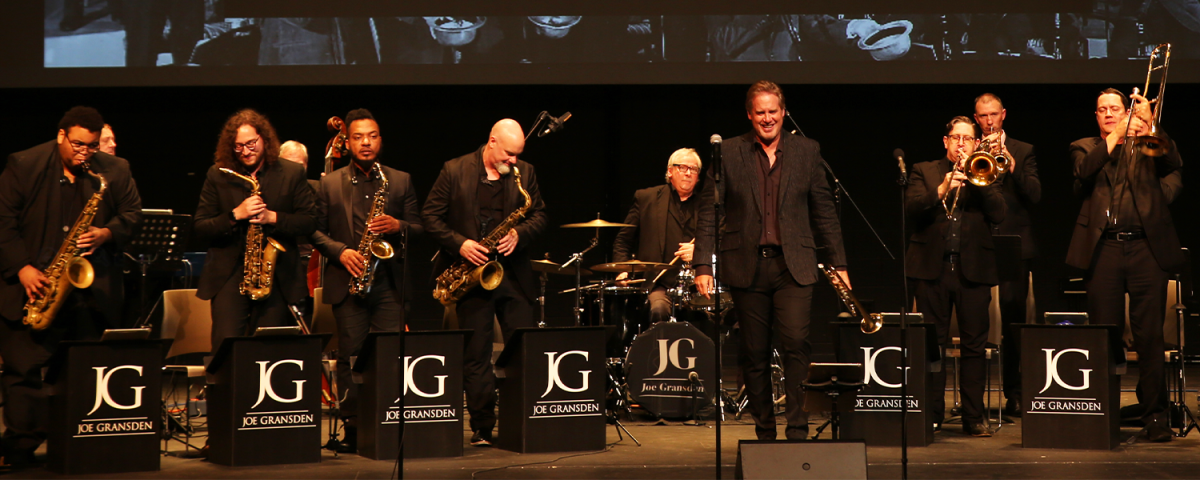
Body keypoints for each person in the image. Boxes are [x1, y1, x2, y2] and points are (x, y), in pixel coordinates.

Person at [694, 81, 849, 441]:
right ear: (750, 114)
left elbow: (824, 211)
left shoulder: (807, 151)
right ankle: (765, 433)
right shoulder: (729, 152)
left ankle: (797, 430)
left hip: (793, 266)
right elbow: (708, 212)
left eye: (773, 111)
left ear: (783, 112)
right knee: (755, 353)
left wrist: (839, 263)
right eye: (760, 112)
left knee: (797, 344)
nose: (767, 118)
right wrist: (703, 264)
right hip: (745, 266)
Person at [0, 106, 143, 467]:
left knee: (85, 369)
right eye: (78, 145)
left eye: (91, 146)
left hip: (90, 291)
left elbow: (133, 215)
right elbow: (3, 221)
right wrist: (22, 268)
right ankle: (20, 447)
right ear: (61, 135)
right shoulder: (24, 164)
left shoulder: (113, 169)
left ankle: (78, 440)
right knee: (23, 372)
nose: (84, 153)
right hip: (34, 285)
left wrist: (107, 232)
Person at [1067, 88, 1184, 442]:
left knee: (1149, 337)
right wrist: (1117, 134)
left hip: (1145, 249)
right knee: (1106, 335)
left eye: (1114, 108)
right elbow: (1083, 173)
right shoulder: (1085, 146)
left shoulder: (1144, 143)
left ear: (1126, 110)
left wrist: (1150, 123)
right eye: (1102, 110)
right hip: (1104, 249)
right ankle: (1104, 414)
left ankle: (1155, 417)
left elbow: (1172, 161)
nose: (1108, 114)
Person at [421, 119, 547, 447]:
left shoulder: (525, 173)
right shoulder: (454, 170)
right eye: (508, 154)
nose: (514, 162)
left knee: (522, 349)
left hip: (512, 274)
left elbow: (540, 215)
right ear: (491, 142)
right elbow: (430, 217)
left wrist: (520, 233)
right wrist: (459, 243)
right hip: (472, 274)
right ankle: (482, 426)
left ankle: (522, 417)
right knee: (476, 354)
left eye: (518, 155)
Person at [311, 109, 423, 453]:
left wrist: (399, 226)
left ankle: (388, 422)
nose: (366, 142)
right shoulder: (328, 183)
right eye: (358, 136)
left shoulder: (400, 180)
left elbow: (420, 227)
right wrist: (341, 252)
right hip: (348, 281)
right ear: (348, 141)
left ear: (380, 139)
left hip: (388, 283)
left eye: (372, 136)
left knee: (390, 355)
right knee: (351, 357)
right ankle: (354, 428)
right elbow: (311, 230)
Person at [906, 116, 1006, 437]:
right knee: (932, 346)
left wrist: (981, 182)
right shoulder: (924, 170)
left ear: (976, 144)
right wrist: (943, 187)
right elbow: (910, 209)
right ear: (945, 141)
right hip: (931, 270)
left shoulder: (987, 168)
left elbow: (1000, 213)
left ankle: (973, 418)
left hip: (973, 272)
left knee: (974, 348)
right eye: (956, 138)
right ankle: (932, 415)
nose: (961, 144)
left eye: (967, 138)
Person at [193, 109, 317, 351]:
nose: (246, 152)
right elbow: (200, 227)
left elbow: (310, 221)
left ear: (265, 139)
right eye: (239, 147)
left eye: (251, 144)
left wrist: (272, 217)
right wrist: (234, 215)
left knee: (269, 351)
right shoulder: (218, 174)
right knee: (225, 348)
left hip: (278, 276)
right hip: (230, 274)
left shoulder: (291, 173)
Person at [973, 93, 1040, 417]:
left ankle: (1015, 392)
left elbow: (1036, 194)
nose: (988, 122)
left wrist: (1011, 164)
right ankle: (975, 401)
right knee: (976, 319)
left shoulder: (1023, 150)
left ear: (1003, 115)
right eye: (983, 116)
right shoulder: (969, 148)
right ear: (976, 119)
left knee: (1014, 321)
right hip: (979, 243)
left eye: (993, 115)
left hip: (1014, 242)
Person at [612, 148, 701, 324]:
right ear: (670, 171)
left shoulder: (707, 204)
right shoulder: (647, 198)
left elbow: (722, 241)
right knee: (658, 310)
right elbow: (623, 240)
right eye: (683, 167)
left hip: (696, 286)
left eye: (694, 169)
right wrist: (622, 271)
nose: (688, 173)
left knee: (710, 316)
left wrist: (700, 251)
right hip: (659, 285)